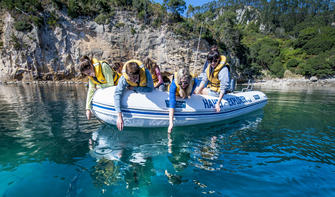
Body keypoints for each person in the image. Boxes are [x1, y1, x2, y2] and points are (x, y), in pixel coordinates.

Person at [114, 59, 154, 131]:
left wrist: (135, 88)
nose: (134, 80)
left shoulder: (146, 73)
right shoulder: (124, 78)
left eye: (135, 77)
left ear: (139, 74)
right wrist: (119, 116)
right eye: (131, 78)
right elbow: (117, 94)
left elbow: (150, 88)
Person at [79, 56, 121, 120]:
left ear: (91, 66)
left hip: (119, 84)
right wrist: (88, 109)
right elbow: (91, 89)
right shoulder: (90, 76)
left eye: (89, 73)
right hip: (110, 90)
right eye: (87, 74)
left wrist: (98, 86)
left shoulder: (103, 66)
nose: (89, 75)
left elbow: (110, 83)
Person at [168, 68, 198, 133]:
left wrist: (189, 93)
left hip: (187, 90)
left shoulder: (194, 81)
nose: (183, 85)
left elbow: (194, 84)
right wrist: (171, 123)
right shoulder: (174, 84)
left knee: (187, 95)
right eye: (181, 82)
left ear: (189, 81)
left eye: (185, 82)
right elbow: (172, 102)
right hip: (177, 92)